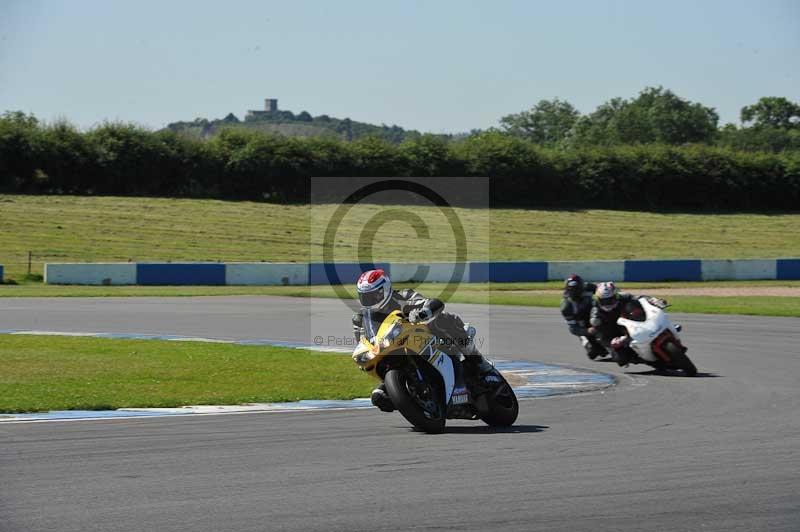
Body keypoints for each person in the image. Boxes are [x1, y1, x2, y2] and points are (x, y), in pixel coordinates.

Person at [352, 269, 497, 412]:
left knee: (443, 319)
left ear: (384, 289)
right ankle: (409, 397)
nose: (369, 300)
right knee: (378, 397)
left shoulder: (403, 296)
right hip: (390, 351)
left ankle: (478, 360)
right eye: (364, 296)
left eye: (373, 295)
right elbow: (363, 342)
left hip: (424, 339)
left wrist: (423, 312)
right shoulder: (360, 319)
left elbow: (432, 303)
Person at [559, 274, 606, 359]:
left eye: (577, 290)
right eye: (572, 290)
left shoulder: (589, 287)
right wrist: (588, 331)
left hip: (597, 312)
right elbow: (573, 328)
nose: (575, 293)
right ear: (567, 290)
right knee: (593, 353)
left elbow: (606, 292)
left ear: (582, 287)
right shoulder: (566, 306)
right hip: (582, 323)